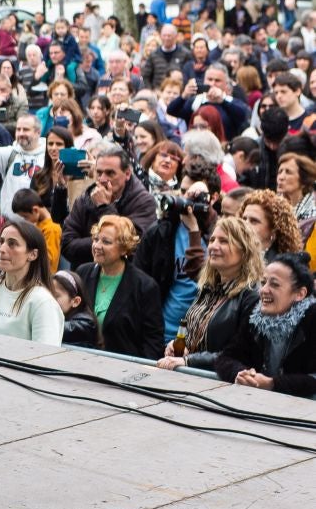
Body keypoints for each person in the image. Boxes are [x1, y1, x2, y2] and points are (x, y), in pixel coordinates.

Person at [156, 215, 263, 370]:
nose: (213, 246)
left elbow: (241, 353)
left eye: (224, 241)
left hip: (219, 385)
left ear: (244, 251)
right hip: (191, 378)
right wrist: (180, 346)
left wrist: (190, 360)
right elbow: (196, 336)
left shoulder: (252, 296)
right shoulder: (208, 288)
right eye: (212, 240)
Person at [203, 253, 316, 395]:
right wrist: (241, 374)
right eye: (263, 282)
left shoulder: (312, 318)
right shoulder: (255, 315)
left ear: (300, 294)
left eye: (274, 284)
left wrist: (273, 384)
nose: (263, 290)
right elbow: (226, 357)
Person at [135, 167, 218, 337]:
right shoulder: (161, 232)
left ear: (213, 198)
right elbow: (139, 284)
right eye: (183, 191)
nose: (186, 198)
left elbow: (207, 280)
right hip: (162, 332)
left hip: (200, 336)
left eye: (194, 195)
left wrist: (196, 226)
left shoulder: (219, 233)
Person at [0, 221, 64, 345]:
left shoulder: (42, 302)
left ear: (33, 254)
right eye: (1, 241)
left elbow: (45, 358)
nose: (2, 249)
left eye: (12, 244)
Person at [75, 214, 163, 359]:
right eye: (96, 239)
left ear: (124, 249)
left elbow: (153, 342)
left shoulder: (145, 286)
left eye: (106, 242)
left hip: (123, 370)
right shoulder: (83, 273)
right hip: (81, 362)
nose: (97, 246)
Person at [61, 144, 159, 268]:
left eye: (110, 173)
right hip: (86, 276)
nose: (102, 179)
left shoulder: (143, 202)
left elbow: (129, 245)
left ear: (127, 173)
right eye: (99, 172)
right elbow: (66, 245)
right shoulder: (86, 197)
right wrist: (106, 244)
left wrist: (103, 207)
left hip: (125, 278)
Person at [0, 111, 45, 216]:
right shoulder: (11, 153)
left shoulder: (47, 155)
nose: (21, 133)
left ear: (38, 132)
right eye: (18, 129)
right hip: (9, 224)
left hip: (37, 224)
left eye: (26, 129)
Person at [240, 189, 304, 261]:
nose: (245, 224)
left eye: (254, 221)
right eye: (244, 219)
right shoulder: (235, 257)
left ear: (274, 230)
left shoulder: (282, 266)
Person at [11, 187, 61, 270]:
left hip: (44, 277)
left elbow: (49, 260)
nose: (25, 220)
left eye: (25, 217)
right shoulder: (37, 224)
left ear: (35, 210)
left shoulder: (52, 229)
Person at [50, 271, 98, 348]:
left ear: (76, 301)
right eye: (48, 295)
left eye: (56, 296)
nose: (49, 300)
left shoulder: (86, 323)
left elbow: (54, 328)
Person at [276, 152, 316, 220]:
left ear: (303, 181)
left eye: (288, 172)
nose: (281, 177)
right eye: (280, 172)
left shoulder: (312, 214)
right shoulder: (274, 206)